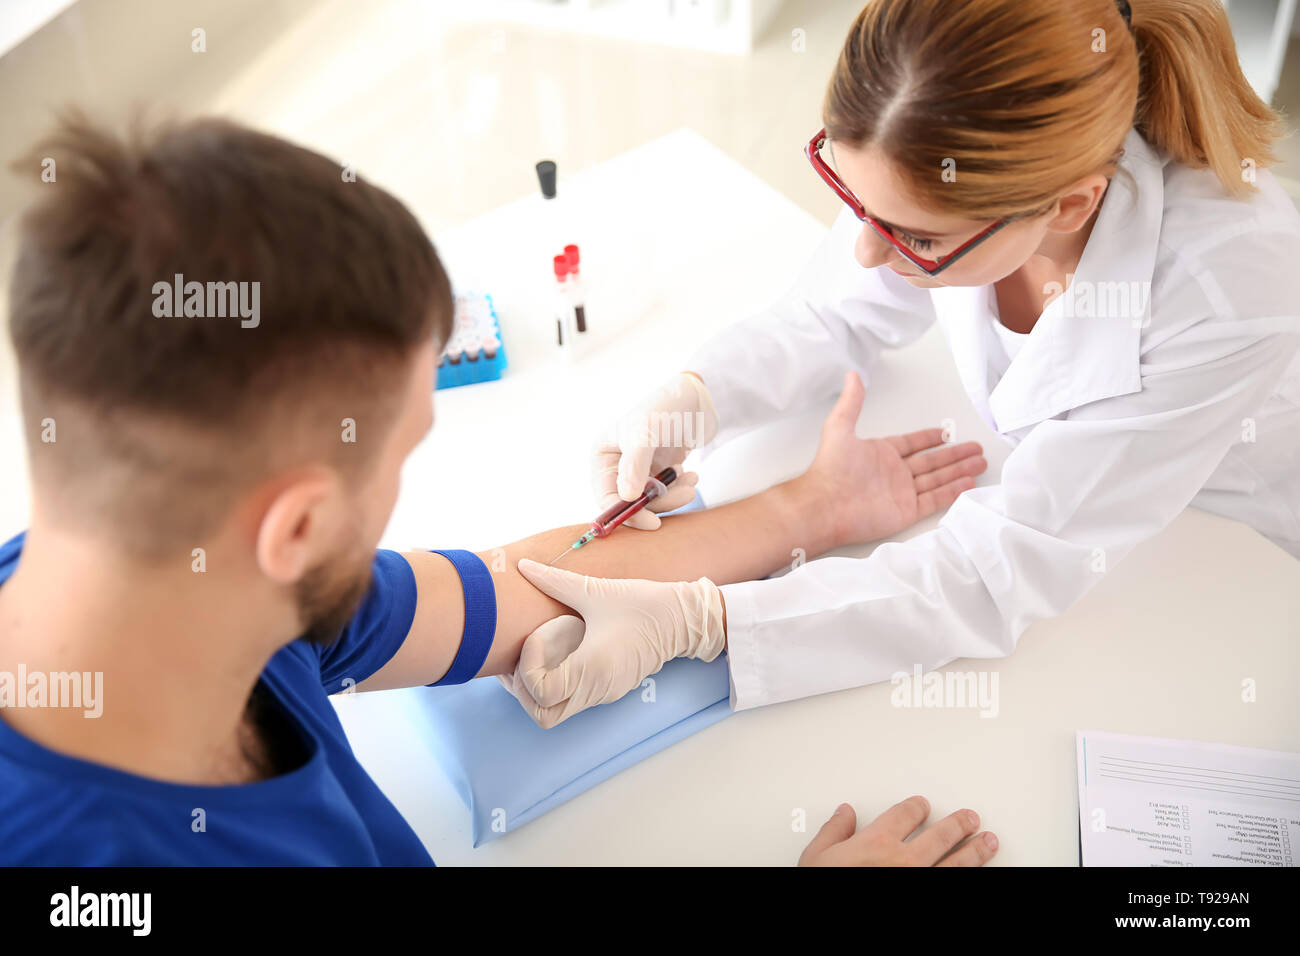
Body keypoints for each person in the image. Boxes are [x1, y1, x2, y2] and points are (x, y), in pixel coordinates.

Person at [0, 113, 993, 865]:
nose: (401, 491)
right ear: (294, 524)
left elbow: (508, 586)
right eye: (400, 453)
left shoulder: (169, 576)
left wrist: (804, 510)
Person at [503, 0, 1300, 720]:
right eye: (855, 199)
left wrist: (709, 622)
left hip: (1235, 553)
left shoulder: (1226, 290)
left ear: (1068, 206)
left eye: (915, 238)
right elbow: (835, 309)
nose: (865, 249)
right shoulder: (958, 163)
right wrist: (697, 398)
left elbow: (997, 570)